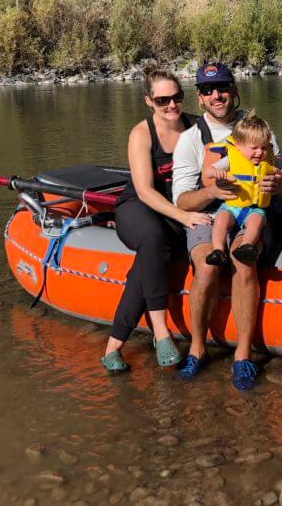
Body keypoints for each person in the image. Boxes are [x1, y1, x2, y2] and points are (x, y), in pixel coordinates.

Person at [171, 63, 282, 390]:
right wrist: (212, 191)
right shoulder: (190, 139)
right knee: (207, 268)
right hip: (210, 214)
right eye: (208, 90)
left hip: (253, 213)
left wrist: (279, 187)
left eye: (222, 87)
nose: (216, 95)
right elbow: (182, 201)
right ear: (200, 98)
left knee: (243, 259)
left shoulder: (259, 131)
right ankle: (197, 347)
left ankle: (243, 356)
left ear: (234, 90)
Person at [100, 67, 213, 373]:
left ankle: (113, 347)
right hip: (138, 206)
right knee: (152, 238)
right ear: (148, 101)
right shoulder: (141, 134)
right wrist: (184, 216)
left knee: (150, 258)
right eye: (163, 100)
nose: (172, 105)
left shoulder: (197, 126)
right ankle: (161, 333)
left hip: (177, 205)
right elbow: (146, 191)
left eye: (177, 97)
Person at [202, 112, 282, 267]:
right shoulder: (231, 158)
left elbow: (277, 171)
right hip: (231, 207)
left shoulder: (267, 160)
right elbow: (207, 171)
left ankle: (247, 246)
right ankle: (218, 250)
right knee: (221, 220)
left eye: (264, 147)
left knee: (256, 222)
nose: (260, 152)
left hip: (255, 209)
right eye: (254, 148)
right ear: (238, 146)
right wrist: (215, 172)